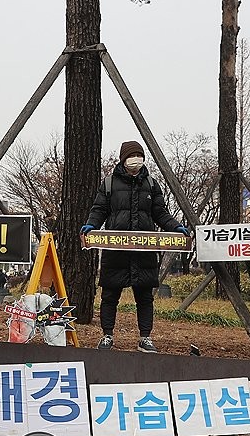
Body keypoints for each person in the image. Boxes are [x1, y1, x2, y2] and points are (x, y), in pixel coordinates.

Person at [81, 140, 190, 353]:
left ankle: (145, 338)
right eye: (132, 156)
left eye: (140, 156)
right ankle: (107, 336)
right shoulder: (109, 183)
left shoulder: (151, 184)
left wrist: (175, 227)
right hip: (116, 252)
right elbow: (99, 210)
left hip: (144, 254)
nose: (136, 160)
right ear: (123, 159)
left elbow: (160, 213)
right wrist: (91, 225)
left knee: (145, 297)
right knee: (110, 295)